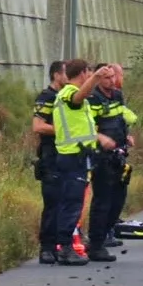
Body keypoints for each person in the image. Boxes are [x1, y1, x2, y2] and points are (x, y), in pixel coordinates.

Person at [44, 60, 116, 266]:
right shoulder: (69, 92)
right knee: (71, 203)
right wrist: (96, 77)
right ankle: (65, 248)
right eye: (89, 73)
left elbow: (81, 126)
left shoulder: (72, 95)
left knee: (74, 202)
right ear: (84, 73)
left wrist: (99, 138)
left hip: (78, 155)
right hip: (72, 156)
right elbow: (78, 97)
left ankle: (65, 246)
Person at [85, 63, 137, 261]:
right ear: (99, 79)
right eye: (107, 77)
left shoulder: (117, 95)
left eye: (113, 77)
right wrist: (100, 138)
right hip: (101, 157)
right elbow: (87, 126)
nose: (112, 81)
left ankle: (105, 233)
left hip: (119, 155)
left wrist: (127, 136)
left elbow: (120, 119)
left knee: (118, 200)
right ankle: (96, 244)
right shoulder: (92, 99)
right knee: (102, 201)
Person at [31, 60, 65, 264]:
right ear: (56, 75)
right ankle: (47, 247)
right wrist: (65, 131)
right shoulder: (47, 97)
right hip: (51, 155)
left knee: (66, 202)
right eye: (65, 73)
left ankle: (63, 244)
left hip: (67, 155)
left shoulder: (67, 97)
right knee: (52, 202)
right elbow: (38, 126)